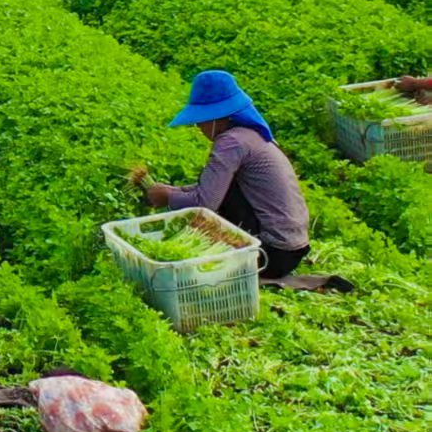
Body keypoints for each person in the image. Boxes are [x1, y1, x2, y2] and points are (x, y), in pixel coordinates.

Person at [133, 71, 311, 280]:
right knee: (224, 191)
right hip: (292, 250)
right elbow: (213, 187)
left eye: (201, 120)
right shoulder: (250, 137)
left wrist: (168, 197)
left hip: (268, 254)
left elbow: (205, 202)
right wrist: (174, 191)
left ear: (218, 116)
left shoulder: (231, 142)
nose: (198, 126)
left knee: (213, 207)